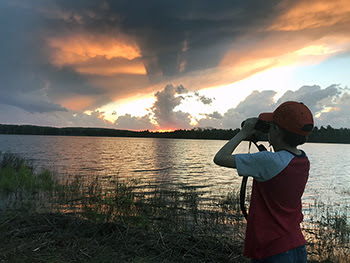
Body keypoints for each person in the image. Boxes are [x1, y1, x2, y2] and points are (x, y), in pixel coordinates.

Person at [213, 101, 314, 263]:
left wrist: (244, 133)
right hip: (297, 246)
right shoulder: (302, 159)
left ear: (275, 130)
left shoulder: (268, 161)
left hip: (273, 250)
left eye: (271, 126)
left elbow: (220, 158)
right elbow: (279, 159)